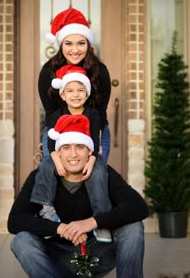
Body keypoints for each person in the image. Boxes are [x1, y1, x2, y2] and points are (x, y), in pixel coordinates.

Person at [8, 114, 149, 278]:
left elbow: (139, 207)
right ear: (58, 153)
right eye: (66, 147)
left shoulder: (104, 174)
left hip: (97, 252)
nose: (73, 154)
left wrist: (90, 223)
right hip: (56, 256)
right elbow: (15, 220)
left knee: (133, 228)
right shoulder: (40, 177)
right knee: (21, 240)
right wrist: (60, 229)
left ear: (89, 151)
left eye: (80, 147)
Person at [31, 65, 112, 242]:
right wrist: (57, 162)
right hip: (61, 155)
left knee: (99, 171)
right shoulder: (57, 114)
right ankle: (47, 211)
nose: (75, 95)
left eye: (80, 90)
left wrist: (91, 161)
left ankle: (101, 220)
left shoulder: (93, 114)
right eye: (70, 91)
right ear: (62, 95)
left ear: (87, 93)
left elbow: (95, 140)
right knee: (45, 166)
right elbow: (51, 143)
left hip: (86, 154)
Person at [39, 7, 111, 163]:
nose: (75, 50)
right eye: (68, 44)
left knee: (95, 175)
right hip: (57, 128)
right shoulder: (48, 72)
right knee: (53, 174)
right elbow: (51, 112)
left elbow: (100, 111)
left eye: (81, 43)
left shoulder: (100, 71)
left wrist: (94, 145)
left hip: (94, 129)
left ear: (88, 44)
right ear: (61, 45)